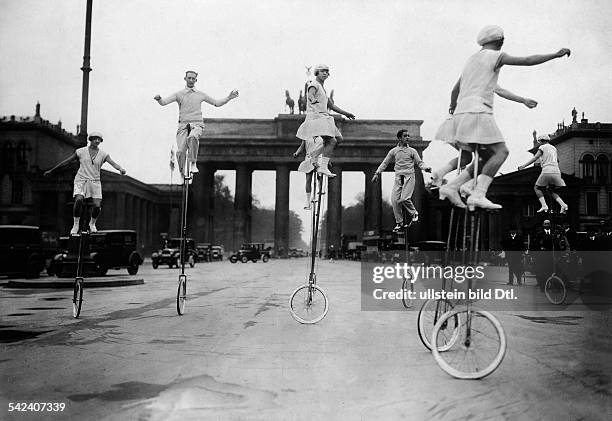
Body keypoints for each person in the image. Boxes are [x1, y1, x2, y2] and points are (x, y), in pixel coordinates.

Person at [434, 25, 570, 210]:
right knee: (501, 152)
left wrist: (453, 109)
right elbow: (528, 60)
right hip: (478, 111)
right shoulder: (496, 56)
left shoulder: (471, 61)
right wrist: (555, 55)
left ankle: (453, 186)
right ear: (499, 41)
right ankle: (478, 194)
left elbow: (455, 90)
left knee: (485, 157)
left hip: (462, 113)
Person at [154, 70, 239, 178]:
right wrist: (159, 99)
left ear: (196, 80)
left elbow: (216, 103)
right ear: (185, 79)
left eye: (193, 78)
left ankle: (193, 163)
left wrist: (228, 98)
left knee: (193, 137)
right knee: (180, 152)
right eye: (189, 78)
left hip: (197, 123)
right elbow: (164, 102)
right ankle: (182, 172)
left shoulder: (200, 94)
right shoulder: (178, 94)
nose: (191, 80)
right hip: (183, 125)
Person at [44, 132, 126, 234]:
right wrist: (52, 171)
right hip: (81, 179)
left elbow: (113, 163)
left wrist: (121, 169)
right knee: (79, 200)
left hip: (95, 181)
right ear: (90, 139)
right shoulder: (81, 152)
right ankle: (76, 224)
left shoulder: (103, 154)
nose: (97, 141)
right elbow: (67, 162)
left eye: (99, 139)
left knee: (97, 206)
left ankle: (92, 224)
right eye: (95, 139)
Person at [296, 64, 355, 178]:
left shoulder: (323, 89)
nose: (325, 73)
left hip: (324, 117)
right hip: (316, 117)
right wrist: (314, 102)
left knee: (338, 139)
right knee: (332, 141)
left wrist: (346, 113)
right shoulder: (314, 84)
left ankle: (316, 156)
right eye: (322, 71)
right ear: (317, 72)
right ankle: (322, 165)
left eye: (327, 71)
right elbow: (311, 95)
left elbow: (331, 106)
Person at [372, 129, 432, 232]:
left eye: (408, 136)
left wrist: (425, 168)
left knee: (404, 198)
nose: (407, 137)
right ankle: (399, 222)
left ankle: (414, 213)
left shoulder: (412, 151)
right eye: (405, 136)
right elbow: (385, 163)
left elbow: (420, 162)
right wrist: (377, 173)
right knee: (394, 200)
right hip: (398, 176)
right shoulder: (393, 151)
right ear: (399, 138)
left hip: (409, 176)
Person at [518, 132, 568, 213]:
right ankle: (563, 205)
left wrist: (523, 166)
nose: (539, 144)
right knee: (551, 191)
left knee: (537, 188)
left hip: (547, 170)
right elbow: (557, 160)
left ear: (542, 141)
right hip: (556, 171)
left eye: (540, 142)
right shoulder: (554, 148)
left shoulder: (542, 147)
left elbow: (535, 158)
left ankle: (544, 205)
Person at [293, 136, 324, 209]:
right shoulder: (306, 137)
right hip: (309, 158)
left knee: (319, 172)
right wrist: (296, 153)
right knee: (308, 179)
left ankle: (320, 187)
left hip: (319, 157)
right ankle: (308, 201)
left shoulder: (322, 136)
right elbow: (301, 147)